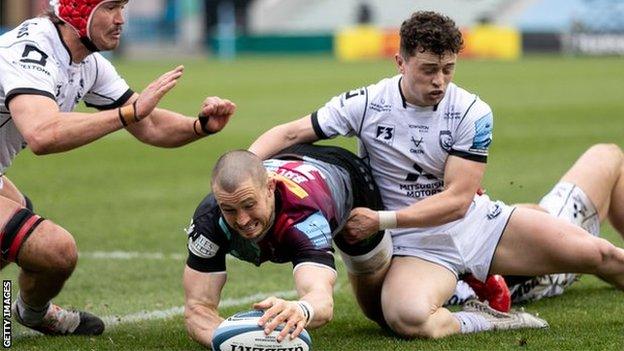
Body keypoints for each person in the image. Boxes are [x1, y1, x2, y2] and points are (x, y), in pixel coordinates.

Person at [249, 11, 624, 338]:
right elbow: (291, 133)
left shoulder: (472, 111)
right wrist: (244, 169)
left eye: (448, 69)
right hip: (415, 244)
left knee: (601, 255)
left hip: (476, 225)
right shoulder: (366, 103)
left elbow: (459, 201)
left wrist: (380, 220)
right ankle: (494, 320)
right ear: (400, 62)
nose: (440, 81)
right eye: (429, 70)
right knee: (406, 317)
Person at [0, 0, 235, 336]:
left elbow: (148, 123)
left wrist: (200, 126)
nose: (121, 19)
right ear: (77, 9)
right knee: (55, 249)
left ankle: (32, 312)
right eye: (110, 7)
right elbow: (42, 133)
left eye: (123, 7)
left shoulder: (88, 63)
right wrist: (128, 113)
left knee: (23, 222)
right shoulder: (30, 49)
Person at [183, 144, 390, 347]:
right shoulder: (208, 220)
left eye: (249, 205)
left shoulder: (304, 218)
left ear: (270, 188)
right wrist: (230, 343)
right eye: (229, 209)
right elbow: (197, 309)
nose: (242, 220)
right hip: (289, 163)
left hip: (350, 178)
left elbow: (322, 301)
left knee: (380, 313)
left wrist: (301, 309)